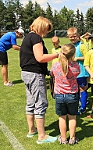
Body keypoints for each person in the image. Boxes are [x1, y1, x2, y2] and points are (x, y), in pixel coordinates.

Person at [20, 16, 58, 144]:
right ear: (41, 26)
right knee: (40, 103)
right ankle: (42, 136)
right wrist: (58, 54)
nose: (46, 33)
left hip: (26, 74)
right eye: (46, 29)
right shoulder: (36, 38)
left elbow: (30, 59)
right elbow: (40, 58)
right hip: (34, 75)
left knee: (31, 103)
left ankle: (32, 130)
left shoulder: (28, 37)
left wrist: (46, 71)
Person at [50, 43, 80, 145]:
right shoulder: (75, 66)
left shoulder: (55, 65)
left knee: (62, 117)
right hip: (72, 95)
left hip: (59, 95)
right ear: (73, 55)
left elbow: (52, 74)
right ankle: (72, 138)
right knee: (72, 117)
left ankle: (63, 138)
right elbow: (78, 73)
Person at [67, 27, 89, 115]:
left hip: (82, 72)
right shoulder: (70, 46)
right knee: (74, 90)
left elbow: (87, 57)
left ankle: (83, 107)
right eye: (70, 37)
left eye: (74, 36)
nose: (72, 38)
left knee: (82, 89)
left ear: (78, 36)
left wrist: (77, 59)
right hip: (72, 72)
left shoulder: (82, 45)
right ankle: (77, 105)